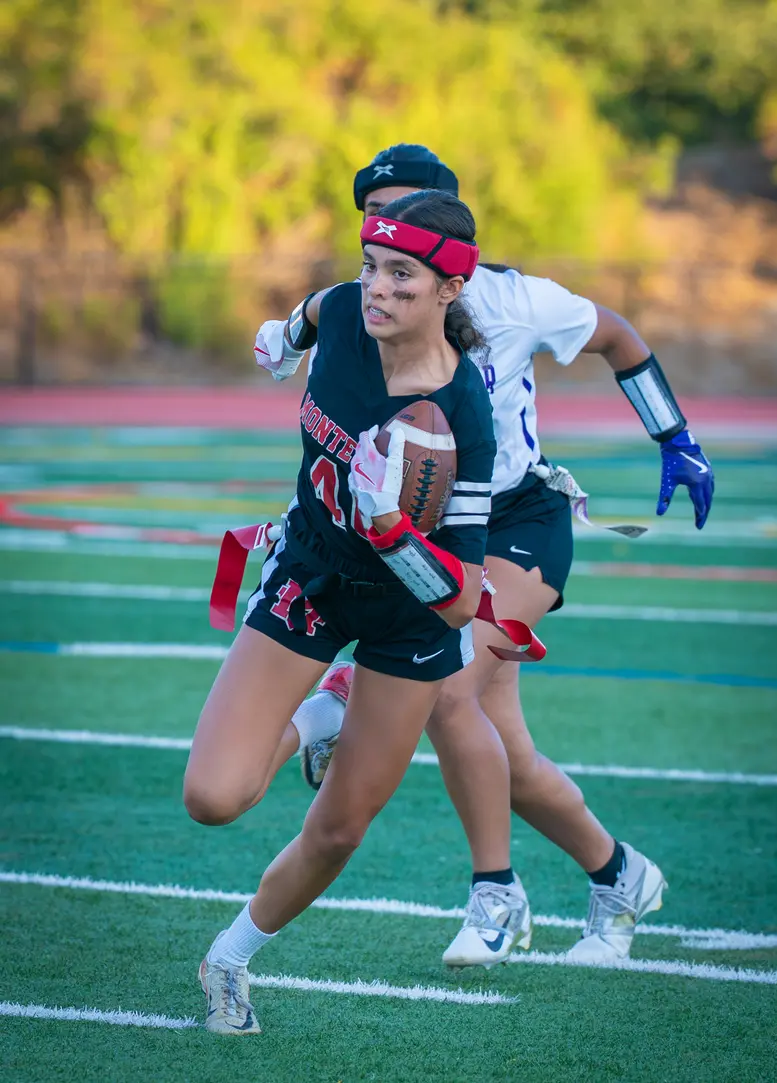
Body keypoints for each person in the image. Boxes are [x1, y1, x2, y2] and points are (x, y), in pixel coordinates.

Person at [252, 144, 715, 970]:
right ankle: (620, 875)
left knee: (449, 688)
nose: (384, 236)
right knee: (510, 756)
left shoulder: (514, 299)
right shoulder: (366, 304)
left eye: (401, 214)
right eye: (372, 222)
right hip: (430, 533)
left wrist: (673, 435)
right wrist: (284, 342)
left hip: (517, 519)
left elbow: (617, 335)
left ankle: (496, 893)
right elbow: (311, 342)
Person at [185, 189, 518, 1036]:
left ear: (450, 288)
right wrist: (281, 335)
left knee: (337, 829)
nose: (377, 287)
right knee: (215, 796)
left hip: (411, 615)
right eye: (371, 265)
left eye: (402, 274)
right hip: (313, 572)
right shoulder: (341, 310)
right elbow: (310, 311)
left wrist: (391, 528)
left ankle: (229, 957)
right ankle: (325, 712)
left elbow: (459, 602)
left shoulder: (464, 415)